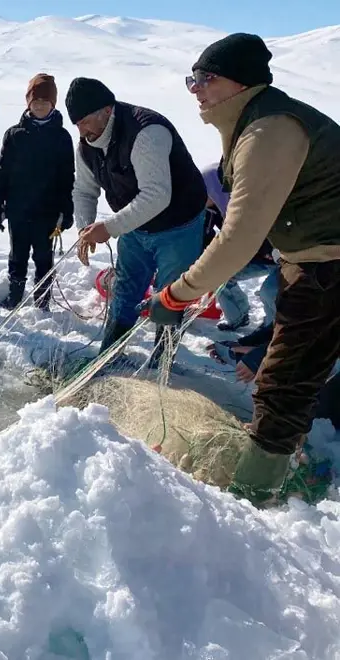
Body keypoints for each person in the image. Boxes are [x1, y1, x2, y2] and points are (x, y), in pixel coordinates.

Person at [146, 33, 340, 505]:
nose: (195, 88)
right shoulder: (257, 122)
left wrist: (178, 294)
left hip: (327, 267)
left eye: (206, 78)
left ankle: (251, 502)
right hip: (314, 263)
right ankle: (292, 466)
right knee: (300, 374)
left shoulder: (269, 130)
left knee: (283, 384)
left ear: (242, 82)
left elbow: (238, 238)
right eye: (192, 78)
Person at [66, 77, 207, 364]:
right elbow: (83, 189)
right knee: (125, 288)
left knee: (169, 296)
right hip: (135, 225)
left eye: (85, 121)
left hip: (178, 225)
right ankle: (110, 352)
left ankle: (161, 361)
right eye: (77, 123)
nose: (82, 130)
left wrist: (109, 227)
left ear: (107, 110)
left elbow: (157, 195)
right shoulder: (87, 144)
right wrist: (85, 227)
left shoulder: (146, 131)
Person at [0, 73, 75, 310]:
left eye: (45, 103)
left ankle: (42, 299)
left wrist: (67, 211)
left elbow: (68, 177)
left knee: (44, 257)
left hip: (47, 211)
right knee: (17, 255)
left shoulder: (62, 137)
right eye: (35, 102)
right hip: (18, 209)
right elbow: (3, 172)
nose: (39, 107)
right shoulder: (14, 135)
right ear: (28, 103)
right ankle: (15, 295)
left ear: (53, 104)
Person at [201, 162, 280, 332]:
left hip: (284, 258)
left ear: (217, 191)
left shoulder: (255, 203)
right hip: (255, 257)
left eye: (203, 191)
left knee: (269, 291)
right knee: (217, 274)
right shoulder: (210, 211)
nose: (197, 196)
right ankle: (238, 316)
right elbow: (205, 243)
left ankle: (271, 330)